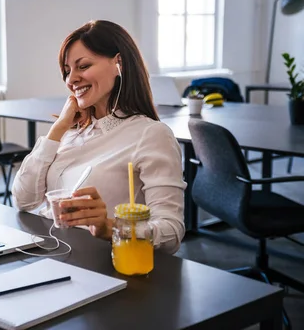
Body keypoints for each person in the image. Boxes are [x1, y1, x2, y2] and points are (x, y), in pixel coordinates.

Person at [11, 20, 186, 254]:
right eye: (67, 71)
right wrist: (58, 129)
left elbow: (172, 232)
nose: (70, 79)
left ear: (118, 64)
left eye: (82, 66)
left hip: (103, 264)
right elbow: (23, 200)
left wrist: (110, 228)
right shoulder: (70, 132)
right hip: (54, 253)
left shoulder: (151, 135)